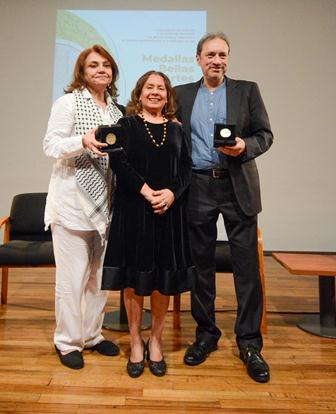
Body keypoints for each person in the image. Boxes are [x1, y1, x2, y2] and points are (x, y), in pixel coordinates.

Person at [174, 33, 273, 383]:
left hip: (237, 185)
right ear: (198, 59)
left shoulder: (247, 90)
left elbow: (265, 134)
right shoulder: (181, 94)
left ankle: (249, 343)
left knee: (247, 268)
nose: (217, 60)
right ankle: (206, 335)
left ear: (228, 59)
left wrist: (245, 145)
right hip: (197, 186)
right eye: (210, 55)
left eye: (223, 55)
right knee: (200, 267)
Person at [102, 71, 195, 378]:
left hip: (168, 213)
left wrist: (170, 194)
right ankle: (135, 340)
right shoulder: (126, 125)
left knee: (162, 280)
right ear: (139, 93)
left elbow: (186, 170)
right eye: (149, 87)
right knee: (133, 279)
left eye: (161, 88)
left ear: (168, 96)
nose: (155, 92)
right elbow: (118, 160)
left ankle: (155, 340)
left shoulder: (178, 130)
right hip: (134, 211)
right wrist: (145, 190)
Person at [43, 45, 124, 369]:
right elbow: (50, 145)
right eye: (93, 65)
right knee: (71, 280)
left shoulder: (117, 112)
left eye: (106, 65)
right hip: (71, 205)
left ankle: (92, 336)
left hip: (107, 207)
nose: (101, 69)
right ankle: (67, 341)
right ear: (82, 71)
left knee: (98, 278)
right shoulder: (67, 102)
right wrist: (82, 141)